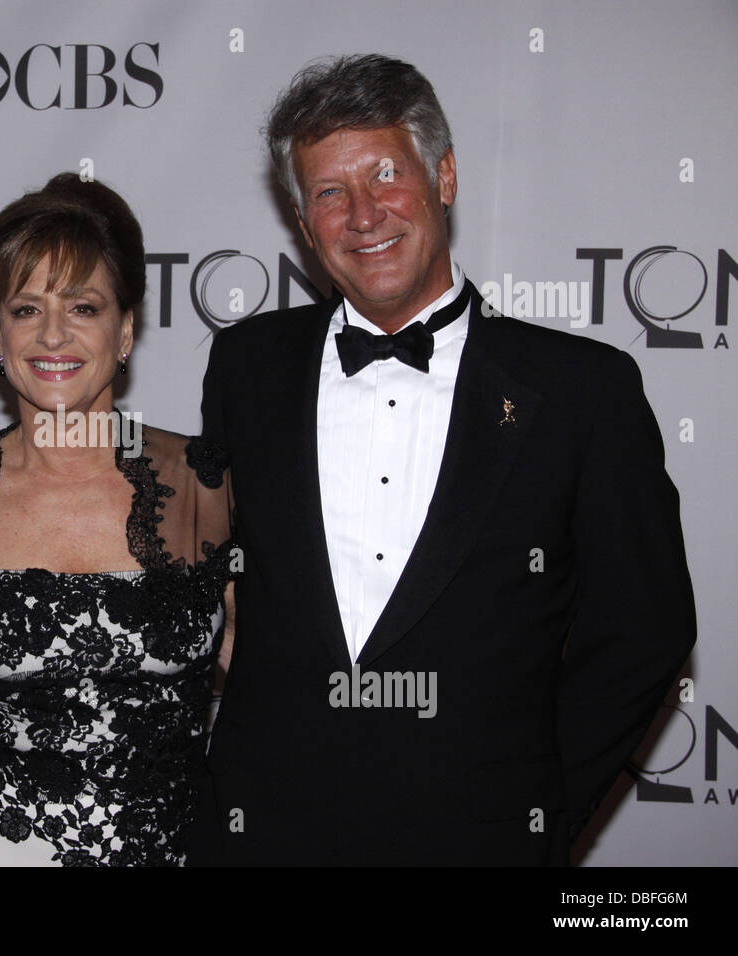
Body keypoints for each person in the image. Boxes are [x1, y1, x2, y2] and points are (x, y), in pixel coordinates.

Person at [188, 54, 695, 865]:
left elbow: (645, 625)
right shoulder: (246, 366)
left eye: (386, 176)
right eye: (329, 192)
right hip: (261, 833)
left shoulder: (580, 390)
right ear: (300, 217)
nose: (363, 214)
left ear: (444, 177)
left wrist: (537, 802)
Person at [0, 173, 235, 865]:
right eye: (26, 309)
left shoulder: (206, 485)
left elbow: (272, 679)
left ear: (125, 331)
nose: (52, 334)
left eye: (83, 307)